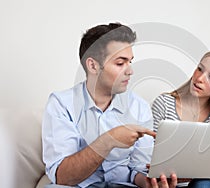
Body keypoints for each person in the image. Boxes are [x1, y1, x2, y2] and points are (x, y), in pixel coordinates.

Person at [42, 23, 177, 188]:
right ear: (93, 66)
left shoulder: (138, 107)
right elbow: (62, 177)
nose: (130, 71)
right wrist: (108, 141)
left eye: (130, 62)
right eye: (120, 63)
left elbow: (138, 169)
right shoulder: (62, 104)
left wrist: (150, 183)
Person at [151, 49, 210, 188]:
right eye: (199, 69)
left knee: (204, 183)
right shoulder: (164, 104)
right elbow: (150, 160)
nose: (199, 78)